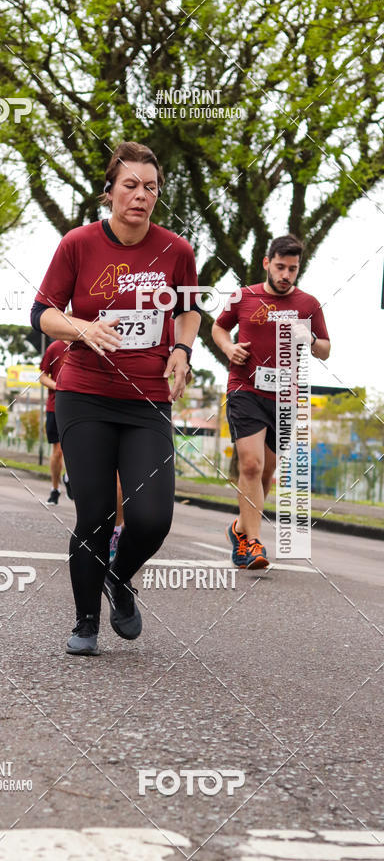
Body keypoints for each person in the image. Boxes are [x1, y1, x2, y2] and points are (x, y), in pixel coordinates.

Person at [31, 140, 201, 655]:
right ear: (109, 192)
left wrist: (182, 349)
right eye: (130, 185)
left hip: (147, 398)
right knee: (97, 514)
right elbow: (42, 313)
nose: (141, 195)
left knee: (152, 518)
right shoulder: (78, 244)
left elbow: (189, 310)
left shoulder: (177, 251)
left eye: (151, 187)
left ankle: (118, 576)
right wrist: (81, 328)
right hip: (85, 395)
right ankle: (85, 622)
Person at [212, 234, 330, 569]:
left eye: (292, 269)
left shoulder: (308, 304)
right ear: (267, 263)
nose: (285, 275)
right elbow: (219, 328)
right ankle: (253, 543)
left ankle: (239, 528)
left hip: (284, 398)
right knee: (251, 465)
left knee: (266, 473)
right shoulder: (244, 296)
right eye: (280, 267)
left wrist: (310, 338)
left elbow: (325, 349)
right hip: (245, 389)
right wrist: (229, 348)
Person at [39, 339, 70, 504]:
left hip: (82, 407)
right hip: (55, 406)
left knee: (76, 449)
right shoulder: (55, 347)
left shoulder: (89, 344)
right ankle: (55, 489)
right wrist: (59, 386)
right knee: (58, 451)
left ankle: (69, 478)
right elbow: (42, 376)